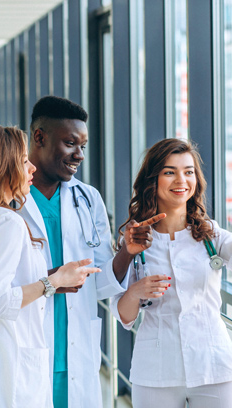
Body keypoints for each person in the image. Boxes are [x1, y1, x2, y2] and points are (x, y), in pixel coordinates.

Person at [111, 138, 232, 408]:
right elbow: (123, 316)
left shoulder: (210, 233)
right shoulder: (135, 239)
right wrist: (135, 292)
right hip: (156, 370)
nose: (181, 180)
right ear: (153, 180)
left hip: (213, 365)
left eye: (189, 171)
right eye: (169, 171)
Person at [0, 125, 100, 407]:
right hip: (2, 366)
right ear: (3, 165)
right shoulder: (6, 221)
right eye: (24, 160)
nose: (31, 167)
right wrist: (54, 282)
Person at [18, 96, 144, 407]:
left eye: (83, 146)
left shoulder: (88, 198)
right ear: (39, 137)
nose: (80, 155)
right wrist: (51, 280)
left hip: (76, 349)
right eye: (71, 143)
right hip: (26, 342)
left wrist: (126, 252)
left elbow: (98, 281)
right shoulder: (9, 198)